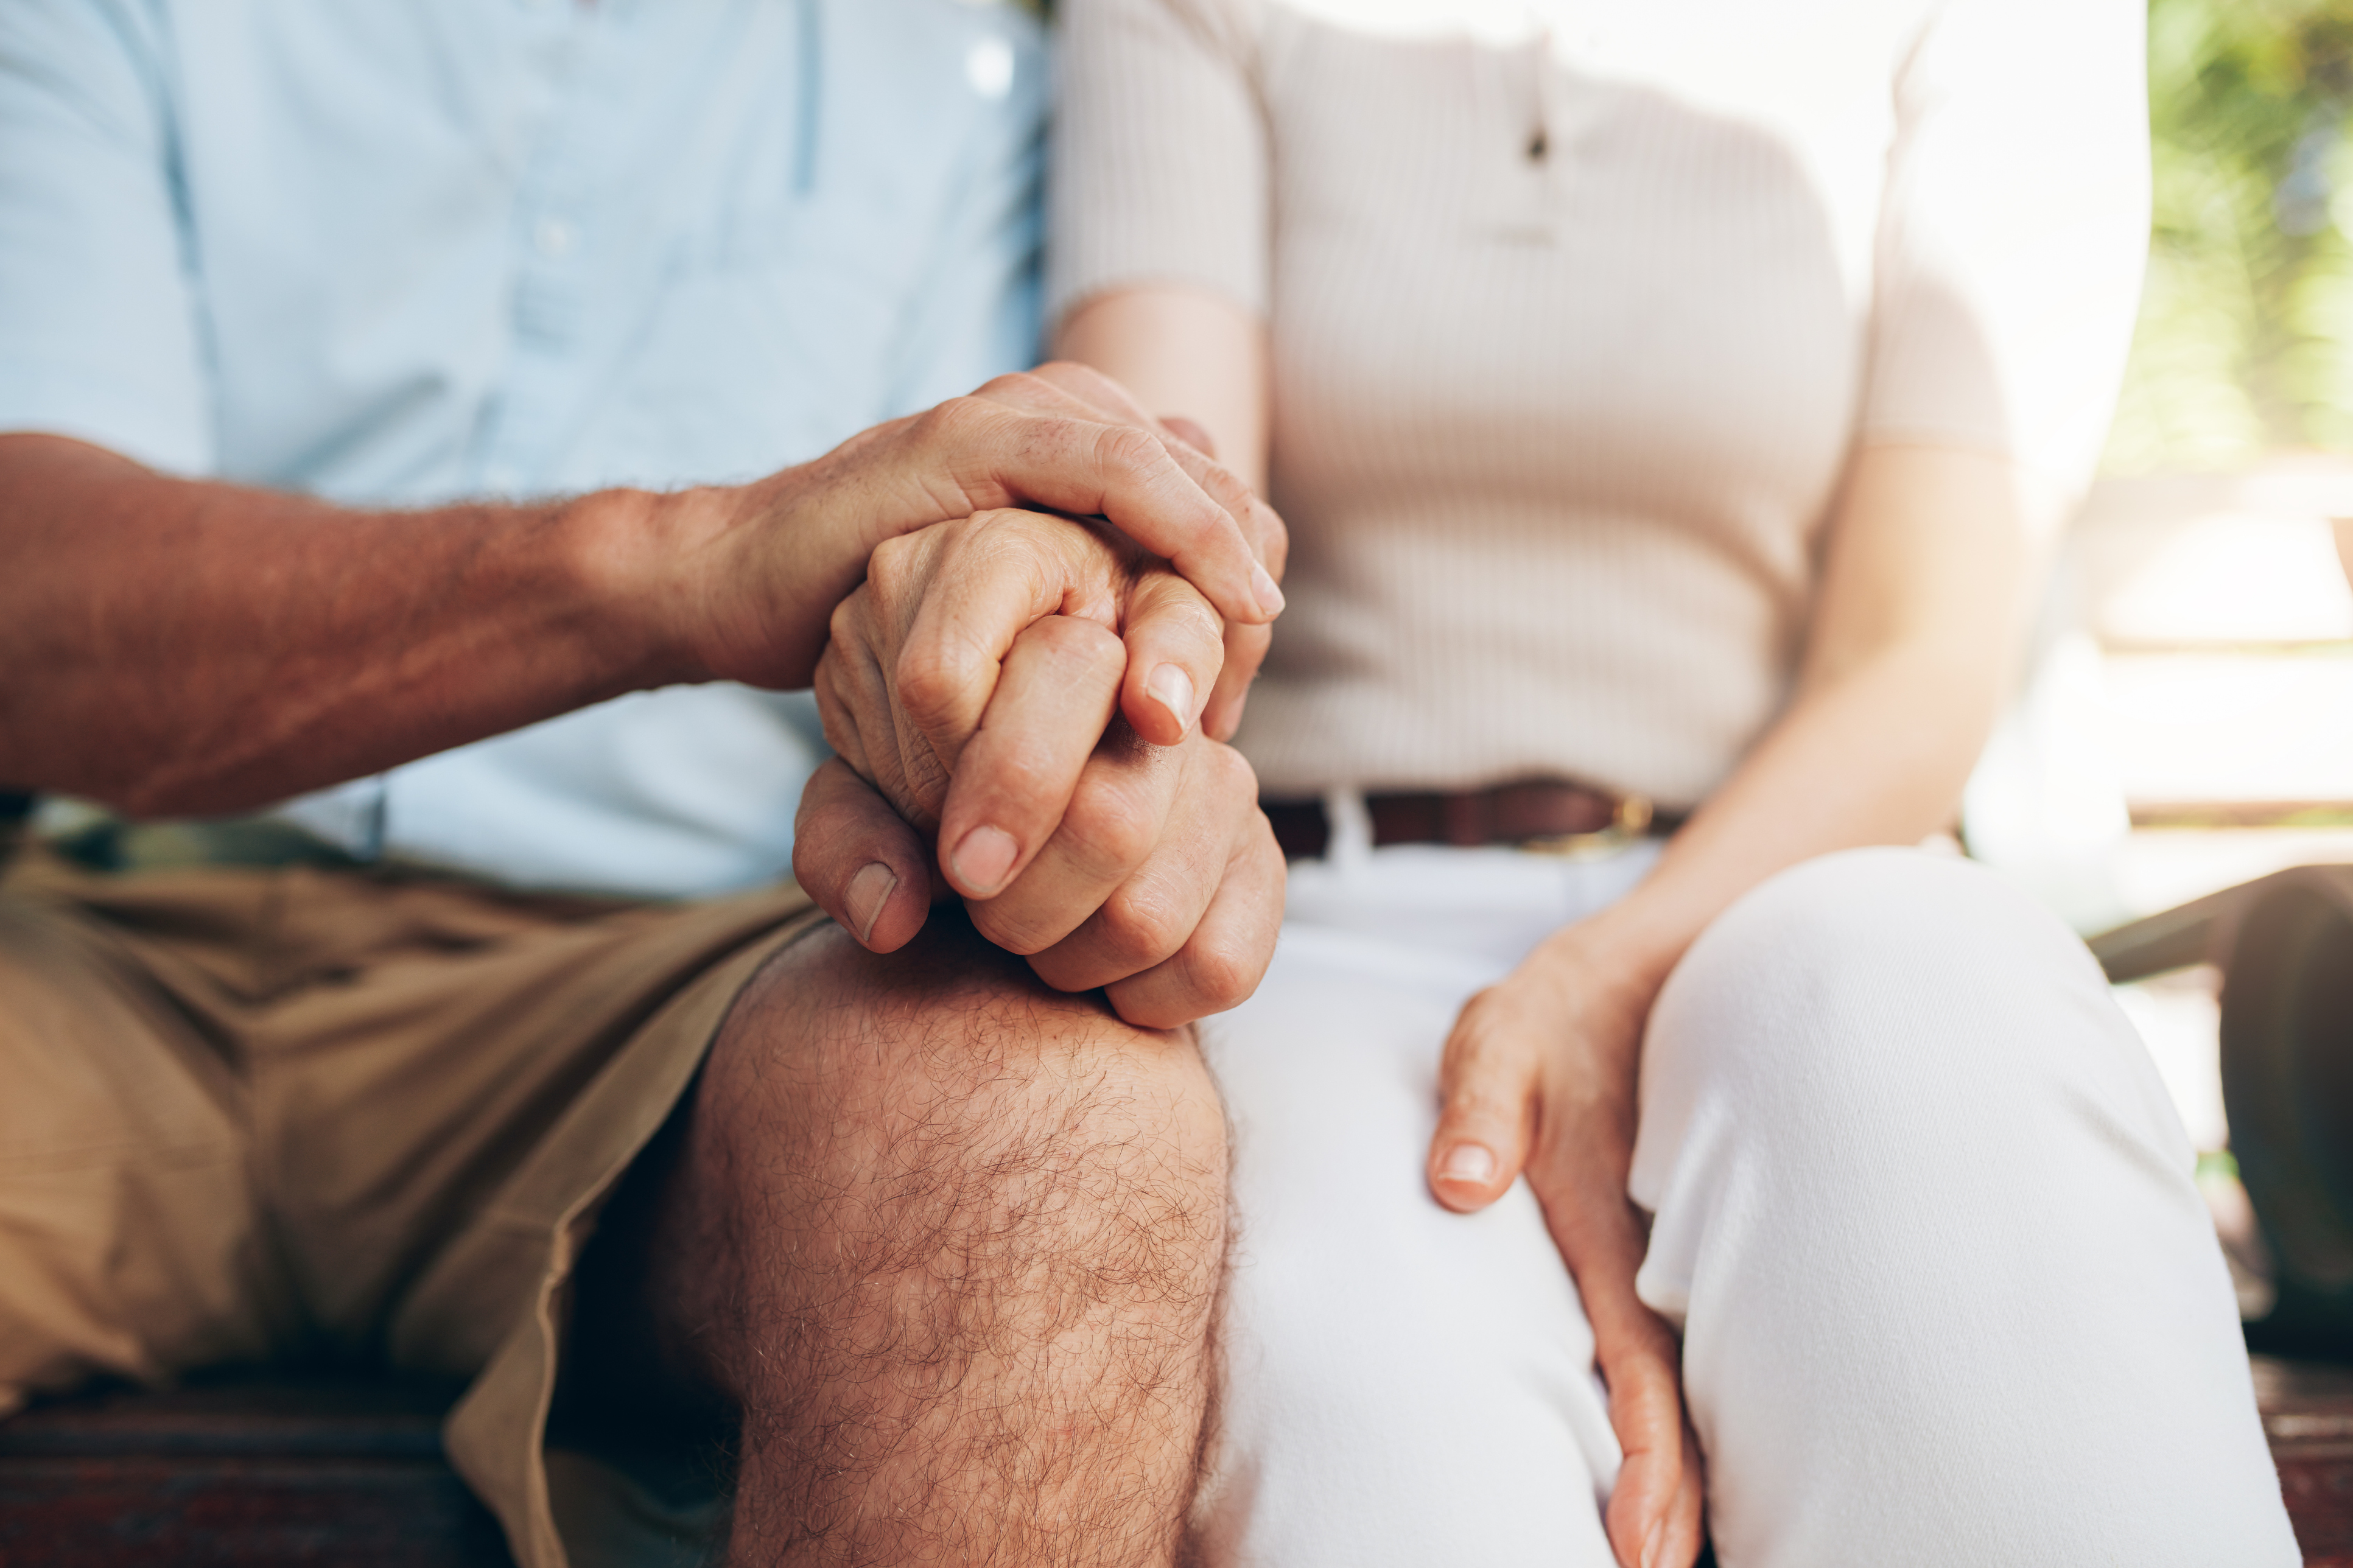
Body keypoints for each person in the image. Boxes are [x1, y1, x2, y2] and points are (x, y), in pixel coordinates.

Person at [0, 5, 1283, 1565]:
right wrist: (684, 563)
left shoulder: (975, 78)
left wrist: (1033, 694)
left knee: (1045, 1133)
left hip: (668, 987)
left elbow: (979, 576)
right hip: (111, 956)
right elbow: (27, 600)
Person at [1046, 0, 2304, 1562]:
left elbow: (1920, 655)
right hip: (1313, 927)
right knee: (1362, 1400)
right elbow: (1165, 526)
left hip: (1784, 878)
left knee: (1929, 1024)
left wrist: (1605, 976)